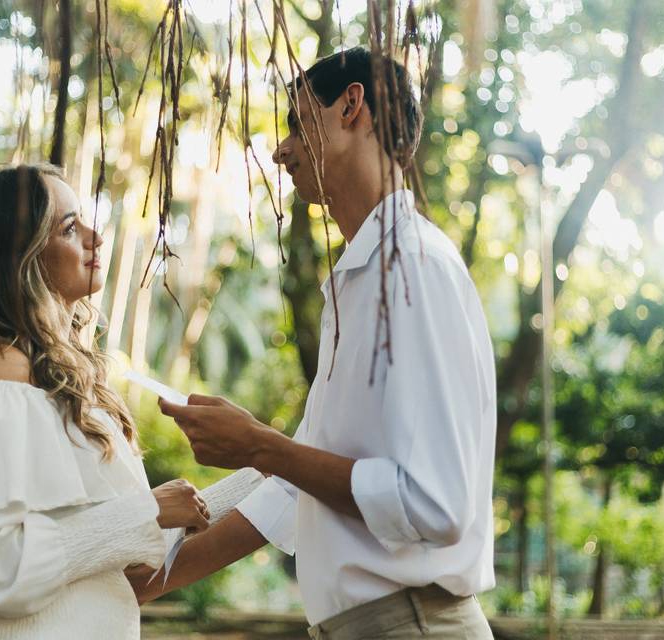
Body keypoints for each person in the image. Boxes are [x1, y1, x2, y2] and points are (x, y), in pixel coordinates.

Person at [149, 47, 498, 639]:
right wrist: (149, 579)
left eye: (296, 121)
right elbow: (291, 489)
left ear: (351, 106)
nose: (281, 149)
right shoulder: (359, 280)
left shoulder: (411, 266)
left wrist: (260, 444)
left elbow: (436, 505)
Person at [0, 164, 210, 639]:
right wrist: (146, 511)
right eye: (69, 227)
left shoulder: (58, 378)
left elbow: (117, 564)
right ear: (18, 255)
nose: (96, 237)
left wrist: (274, 464)